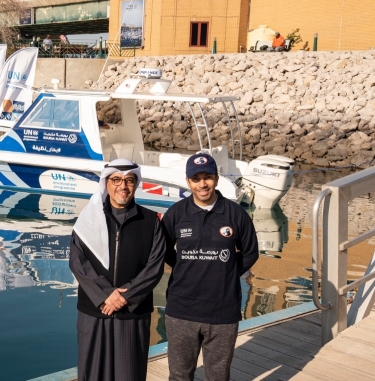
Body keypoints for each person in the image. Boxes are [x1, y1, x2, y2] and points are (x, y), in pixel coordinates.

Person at [162, 153, 259, 381]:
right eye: (196, 179)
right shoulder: (176, 214)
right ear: (188, 182)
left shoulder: (236, 214)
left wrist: (226, 273)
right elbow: (163, 251)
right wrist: (185, 266)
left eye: (207, 177)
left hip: (222, 313)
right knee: (179, 376)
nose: (202, 184)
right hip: (181, 311)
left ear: (216, 178)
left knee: (218, 377)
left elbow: (250, 252)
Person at [69, 159, 167, 381]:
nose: (123, 186)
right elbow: (77, 262)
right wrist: (105, 295)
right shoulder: (88, 219)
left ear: (136, 184)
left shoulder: (151, 221)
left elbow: (155, 266)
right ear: (106, 182)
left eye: (129, 180)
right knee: (93, 375)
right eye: (116, 180)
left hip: (132, 313)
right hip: (95, 311)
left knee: (129, 375)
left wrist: (125, 297)